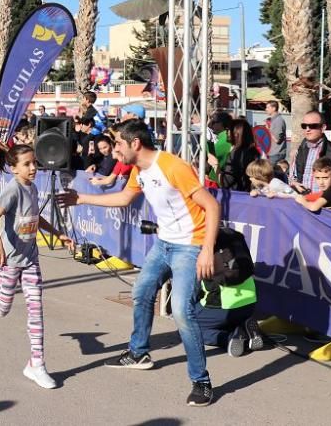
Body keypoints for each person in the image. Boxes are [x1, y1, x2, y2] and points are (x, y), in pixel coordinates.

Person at [57, 119, 221, 407]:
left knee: (182, 311)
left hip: (190, 247)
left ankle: (201, 381)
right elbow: (124, 198)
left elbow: (212, 205)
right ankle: (138, 352)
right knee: (141, 292)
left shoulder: (173, 167)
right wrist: (80, 198)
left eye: (118, 143)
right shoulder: (138, 169)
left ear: (135, 143)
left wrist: (207, 249)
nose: (114, 149)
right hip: (164, 243)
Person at [0, 142, 73, 390]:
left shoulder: (32, 189)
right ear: (14, 169)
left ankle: (37, 364)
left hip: (31, 258)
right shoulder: (12, 190)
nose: (33, 167)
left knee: (36, 310)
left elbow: (36, 217)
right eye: (27, 164)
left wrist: (59, 234)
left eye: (34, 162)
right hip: (10, 260)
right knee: (2, 309)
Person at [192, 226, 265, 358]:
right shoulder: (233, 236)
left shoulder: (199, 245)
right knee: (222, 319)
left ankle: (229, 338)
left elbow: (192, 292)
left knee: (189, 327)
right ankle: (244, 328)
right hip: (250, 304)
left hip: (223, 308)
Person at [289, 110, 331, 193]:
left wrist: (330, 195)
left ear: (323, 128)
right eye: (304, 126)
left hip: (325, 203)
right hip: (303, 201)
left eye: (312, 126)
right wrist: (294, 184)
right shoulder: (300, 150)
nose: (307, 129)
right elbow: (292, 177)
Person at [217, 119, 260, 192]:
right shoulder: (253, 151)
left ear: (236, 133)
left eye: (228, 130)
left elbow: (225, 182)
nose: (226, 133)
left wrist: (216, 166)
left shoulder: (236, 154)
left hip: (237, 196)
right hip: (249, 195)